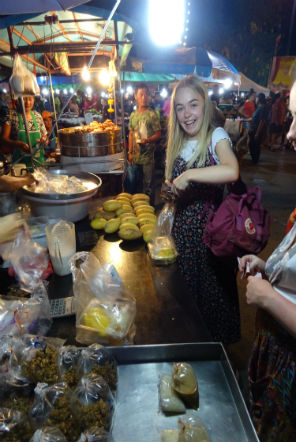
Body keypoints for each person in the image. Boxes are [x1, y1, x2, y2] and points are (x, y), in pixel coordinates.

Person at [238, 79, 296, 442]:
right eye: (290, 117)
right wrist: (269, 270)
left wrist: (267, 297)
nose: (290, 133)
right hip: (274, 356)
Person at [163, 74, 240, 344]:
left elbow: (231, 170)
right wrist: (170, 191)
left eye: (193, 104)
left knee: (213, 310)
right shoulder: (178, 142)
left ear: (205, 105)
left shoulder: (215, 136)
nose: (187, 114)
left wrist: (191, 175)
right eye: (180, 107)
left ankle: (217, 368)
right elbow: (175, 189)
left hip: (211, 243)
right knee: (187, 313)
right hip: (182, 240)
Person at [128, 83, 161, 198]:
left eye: (146, 94)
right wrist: (130, 152)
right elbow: (131, 134)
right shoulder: (133, 115)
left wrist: (148, 140)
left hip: (148, 158)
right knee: (136, 186)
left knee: (148, 186)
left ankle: (150, 209)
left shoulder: (152, 114)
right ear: (135, 96)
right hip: (136, 157)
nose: (144, 97)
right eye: (141, 95)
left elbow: (158, 134)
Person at [1, 96, 47, 170]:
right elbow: (3, 139)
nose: (27, 102)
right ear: (18, 99)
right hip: (20, 166)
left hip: (38, 165)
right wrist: (19, 144)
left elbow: (45, 138)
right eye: (24, 99)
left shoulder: (38, 116)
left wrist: (44, 140)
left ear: (34, 100)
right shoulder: (10, 114)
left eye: (30, 99)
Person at [248, 93, 268, 164]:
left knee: (255, 145)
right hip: (253, 129)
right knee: (252, 144)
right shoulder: (259, 107)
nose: (255, 99)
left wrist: (257, 133)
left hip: (256, 130)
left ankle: (255, 160)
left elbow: (262, 121)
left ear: (259, 99)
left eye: (256, 98)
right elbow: (254, 118)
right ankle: (254, 159)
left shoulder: (263, 107)